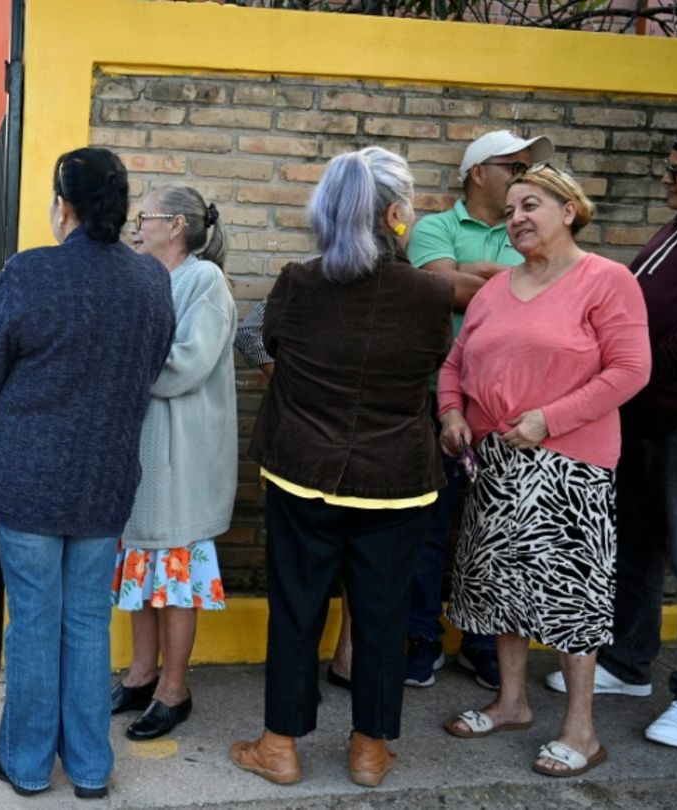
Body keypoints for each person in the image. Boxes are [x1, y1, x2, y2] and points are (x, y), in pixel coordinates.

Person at [233, 147, 451, 789]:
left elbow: (267, 346)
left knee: (296, 609)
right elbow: (430, 364)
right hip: (397, 483)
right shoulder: (429, 294)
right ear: (395, 213)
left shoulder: (299, 282)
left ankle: (280, 746)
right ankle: (368, 751)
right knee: (383, 617)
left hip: (302, 473)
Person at [0, 147, 174, 800]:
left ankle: (28, 765)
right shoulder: (150, 281)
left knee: (34, 621)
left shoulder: (29, 273)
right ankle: (90, 769)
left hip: (29, 476)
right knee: (88, 621)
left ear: (65, 205)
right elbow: (149, 365)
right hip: (106, 477)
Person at [438, 164, 650, 777]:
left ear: (569, 210)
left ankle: (582, 732)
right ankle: (511, 702)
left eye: (531, 204)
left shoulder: (606, 281)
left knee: (570, 595)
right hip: (497, 460)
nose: (517, 218)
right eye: (509, 210)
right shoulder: (498, 288)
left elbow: (631, 370)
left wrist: (549, 419)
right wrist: (451, 413)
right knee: (502, 588)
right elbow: (455, 362)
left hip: (570, 464)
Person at [546, 117, 677, 749]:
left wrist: (634, 369)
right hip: (642, 416)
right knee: (634, 546)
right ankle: (628, 661)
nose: (666, 179)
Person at [403, 130, 554, 690]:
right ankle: (422, 637)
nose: (522, 176)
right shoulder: (436, 227)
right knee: (428, 525)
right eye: (512, 166)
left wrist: (479, 274)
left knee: (498, 530)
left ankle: (483, 640)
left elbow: (547, 292)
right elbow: (445, 291)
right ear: (476, 172)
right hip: (436, 397)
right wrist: (509, 277)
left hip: (513, 408)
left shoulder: (530, 229)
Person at [111, 186, 236, 741]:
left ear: (178, 225)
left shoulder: (203, 281)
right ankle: (140, 676)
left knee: (175, 578)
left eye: (147, 218)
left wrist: (118, 366)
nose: (137, 226)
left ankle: (173, 689)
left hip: (180, 457)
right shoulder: (144, 278)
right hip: (143, 455)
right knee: (142, 572)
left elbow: (186, 364)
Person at [237, 302, 357, 690]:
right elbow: (250, 332)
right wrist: (295, 387)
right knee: (304, 568)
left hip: (370, 444)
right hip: (307, 444)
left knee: (363, 561)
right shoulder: (307, 276)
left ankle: (347, 658)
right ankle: (298, 679)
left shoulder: (404, 284)